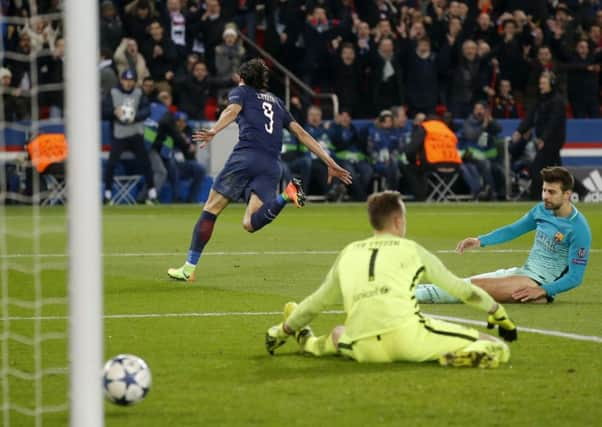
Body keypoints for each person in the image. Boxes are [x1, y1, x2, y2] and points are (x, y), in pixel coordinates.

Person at [265, 191, 517, 368]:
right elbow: (460, 289)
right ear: (398, 221)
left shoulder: (349, 252)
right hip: (408, 340)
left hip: (365, 348)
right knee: (496, 347)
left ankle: (305, 340)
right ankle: (449, 358)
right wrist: (496, 311)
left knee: (339, 333)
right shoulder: (411, 250)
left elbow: (317, 302)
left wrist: (282, 329)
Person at [167, 59, 352, 281]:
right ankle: (287, 194)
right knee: (250, 223)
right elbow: (301, 133)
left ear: (243, 78)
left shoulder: (241, 92)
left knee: (211, 210)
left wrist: (214, 130)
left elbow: (232, 111)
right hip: (272, 165)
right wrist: (329, 161)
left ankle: (188, 268)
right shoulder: (276, 101)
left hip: (246, 157)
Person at [416, 167, 591, 305]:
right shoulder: (542, 210)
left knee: (473, 289)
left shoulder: (578, 229)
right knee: (465, 282)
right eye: (544, 190)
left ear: (567, 194)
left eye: (551, 192)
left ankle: (404, 297)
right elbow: (512, 230)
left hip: (535, 282)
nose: (545, 196)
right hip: (521, 273)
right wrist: (480, 241)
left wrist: (543, 290)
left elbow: (575, 277)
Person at [102, 69, 157, 205]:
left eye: (131, 81)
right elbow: (103, 111)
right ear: (121, 80)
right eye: (126, 80)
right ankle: (107, 194)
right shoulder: (113, 92)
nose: (128, 83)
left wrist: (135, 117)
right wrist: (115, 112)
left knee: (146, 162)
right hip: (119, 134)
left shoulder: (139, 93)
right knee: (111, 163)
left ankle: (152, 192)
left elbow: (147, 110)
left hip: (135, 133)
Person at [513, 72, 566, 200]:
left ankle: (535, 198)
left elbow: (553, 123)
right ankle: (580, 190)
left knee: (537, 170)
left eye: (543, 83)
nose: (540, 86)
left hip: (552, 141)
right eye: (540, 83)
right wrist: (520, 131)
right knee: (557, 171)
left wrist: (543, 138)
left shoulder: (557, 100)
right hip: (544, 140)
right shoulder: (540, 99)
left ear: (551, 84)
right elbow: (530, 117)